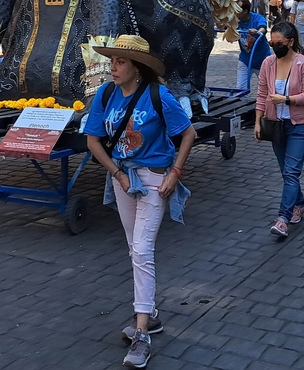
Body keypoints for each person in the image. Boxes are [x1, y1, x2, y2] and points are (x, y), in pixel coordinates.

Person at [82, 35, 196, 370]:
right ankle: (151, 314)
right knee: (134, 249)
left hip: (154, 180)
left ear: (138, 67)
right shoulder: (105, 94)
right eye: (113, 61)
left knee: (143, 250)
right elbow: (92, 140)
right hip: (123, 180)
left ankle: (142, 331)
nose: (113, 67)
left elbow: (187, 134)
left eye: (120, 62)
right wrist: (116, 173)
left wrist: (175, 173)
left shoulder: (158, 95)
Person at [254, 21, 304, 239]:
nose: (274, 46)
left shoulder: (303, 65)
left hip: (299, 127)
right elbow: (262, 94)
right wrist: (257, 121)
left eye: (278, 42)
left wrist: (286, 99)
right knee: (286, 172)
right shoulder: (268, 63)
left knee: (291, 172)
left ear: (290, 42)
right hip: (275, 126)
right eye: (272, 42)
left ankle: (283, 219)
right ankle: (298, 203)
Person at [234, 0, 270, 94]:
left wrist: (258, 32)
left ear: (245, 11)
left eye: (237, 9)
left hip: (262, 60)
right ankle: (241, 107)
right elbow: (222, 24)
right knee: (241, 89)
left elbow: (263, 28)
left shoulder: (257, 18)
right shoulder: (234, 21)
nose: (234, 11)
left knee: (268, 89)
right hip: (245, 60)